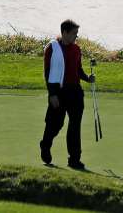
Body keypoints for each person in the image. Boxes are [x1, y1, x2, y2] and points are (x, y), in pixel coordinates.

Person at [39, 19, 95, 170]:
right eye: (73, 34)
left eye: (76, 34)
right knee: (55, 124)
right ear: (64, 33)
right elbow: (48, 73)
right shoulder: (52, 48)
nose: (76, 37)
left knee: (74, 126)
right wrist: (52, 94)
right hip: (58, 91)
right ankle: (45, 145)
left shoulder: (76, 49)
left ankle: (74, 159)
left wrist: (87, 78)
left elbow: (78, 69)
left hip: (75, 92)